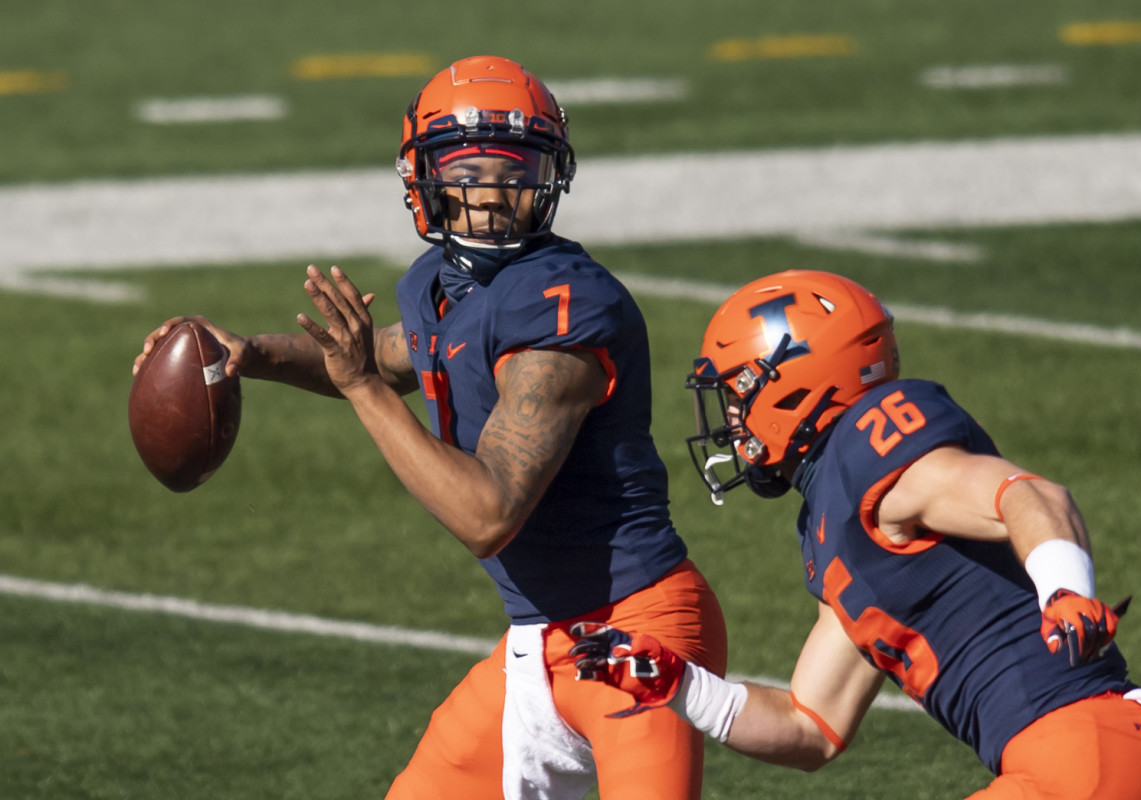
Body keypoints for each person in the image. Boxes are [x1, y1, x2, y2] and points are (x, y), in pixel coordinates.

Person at [133, 55, 726, 799]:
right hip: (536, 643)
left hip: (639, 632)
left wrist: (360, 389)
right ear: (423, 177)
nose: (491, 192)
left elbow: (488, 514)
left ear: (548, 177)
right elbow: (380, 357)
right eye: (468, 170)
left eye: (514, 171)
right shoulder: (435, 286)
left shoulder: (565, 310)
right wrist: (248, 354)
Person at [569, 270, 1141, 799]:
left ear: (792, 386)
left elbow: (1028, 495)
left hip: (1085, 751)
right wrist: (679, 685)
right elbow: (810, 726)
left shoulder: (873, 449)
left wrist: (1065, 590)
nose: (731, 422)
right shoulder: (833, 524)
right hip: (1121, 752)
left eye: (738, 395)